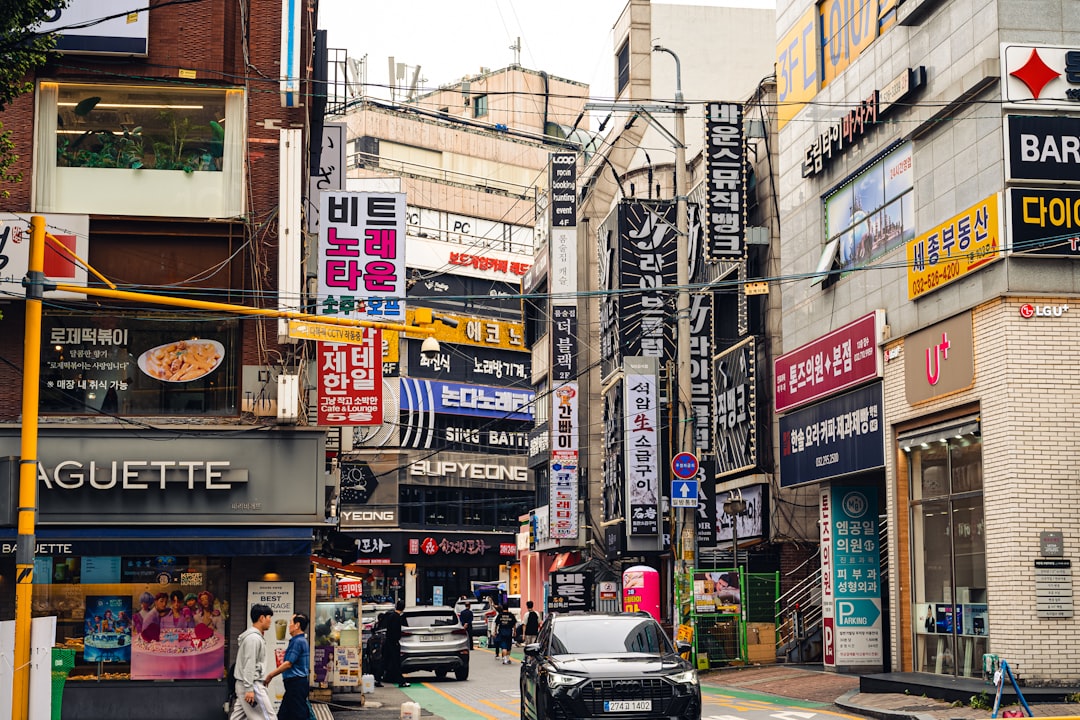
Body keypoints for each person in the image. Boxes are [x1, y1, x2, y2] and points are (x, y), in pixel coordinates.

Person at [230, 603, 277, 720]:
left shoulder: (253, 637)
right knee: (268, 717)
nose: (270, 621)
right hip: (252, 684)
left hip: (244, 683)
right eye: (269, 617)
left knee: (237, 717)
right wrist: (249, 689)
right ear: (262, 618)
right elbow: (249, 664)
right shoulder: (253, 639)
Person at [265, 613, 310, 720]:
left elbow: (288, 663)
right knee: (285, 715)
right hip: (296, 684)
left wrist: (270, 675)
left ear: (297, 625)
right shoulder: (301, 640)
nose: (289, 626)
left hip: (296, 684)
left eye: (290, 623)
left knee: (298, 715)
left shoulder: (297, 641)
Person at [382, 600, 409, 688]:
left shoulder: (391, 616)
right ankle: (401, 681)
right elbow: (396, 632)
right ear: (403, 608)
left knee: (385, 661)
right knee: (396, 663)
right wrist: (397, 641)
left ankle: (377, 678)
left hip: (388, 642)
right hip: (393, 643)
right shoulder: (397, 618)